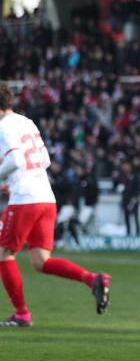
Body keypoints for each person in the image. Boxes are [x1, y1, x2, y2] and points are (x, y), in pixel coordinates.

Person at [0, 81, 110, 327]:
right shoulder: (26, 122)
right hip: (46, 198)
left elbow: (17, 160)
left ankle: (22, 314)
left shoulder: (3, 127)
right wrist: (15, 181)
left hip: (26, 200)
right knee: (41, 260)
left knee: (4, 254)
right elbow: (46, 160)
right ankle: (92, 279)